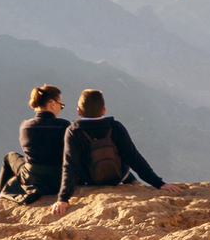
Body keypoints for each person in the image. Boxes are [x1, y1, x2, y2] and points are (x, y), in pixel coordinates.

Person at [52, 88, 182, 215]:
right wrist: (158, 183)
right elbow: (134, 158)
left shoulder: (74, 132)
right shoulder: (115, 127)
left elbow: (70, 166)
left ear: (79, 111)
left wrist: (63, 199)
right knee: (128, 172)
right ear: (104, 110)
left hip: (90, 181)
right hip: (117, 177)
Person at [0, 84, 71, 203]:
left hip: (33, 178)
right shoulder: (64, 126)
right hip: (59, 179)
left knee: (10, 157)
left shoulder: (25, 126)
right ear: (52, 103)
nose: (60, 108)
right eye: (61, 105)